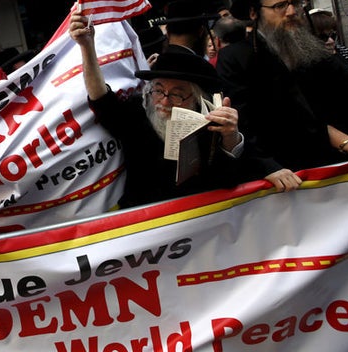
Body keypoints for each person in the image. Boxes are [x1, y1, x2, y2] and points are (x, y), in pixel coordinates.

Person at [69, 11, 244, 208]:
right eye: (158, 90)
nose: (164, 101)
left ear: (197, 99)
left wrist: (231, 137)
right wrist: (87, 46)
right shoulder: (137, 115)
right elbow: (101, 97)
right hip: (145, 222)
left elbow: (229, 178)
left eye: (177, 94)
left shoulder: (212, 125)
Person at [218, 0, 348, 186]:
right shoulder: (236, 59)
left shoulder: (315, 50)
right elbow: (242, 123)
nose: (291, 12)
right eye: (280, 5)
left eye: (297, 2)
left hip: (332, 170)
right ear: (254, 12)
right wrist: (267, 166)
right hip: (281, 180)